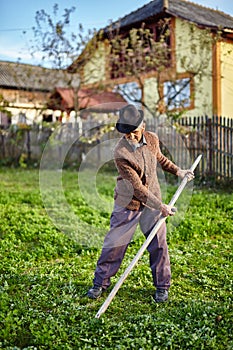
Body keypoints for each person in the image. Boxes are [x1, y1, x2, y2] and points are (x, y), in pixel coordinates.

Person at [87, 104, 194, 302]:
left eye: (134, 132)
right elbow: (137, 187)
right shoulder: (120, 152)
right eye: (126, 133)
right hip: (128, 203)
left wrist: (178, 171)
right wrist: (161, 206)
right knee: (114, 245)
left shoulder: (152, 138)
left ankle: (162, 286)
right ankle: (99, 283)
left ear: (142, 126)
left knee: (159, 244)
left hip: (152, 202)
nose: (131, 137)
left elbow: (160, 158)